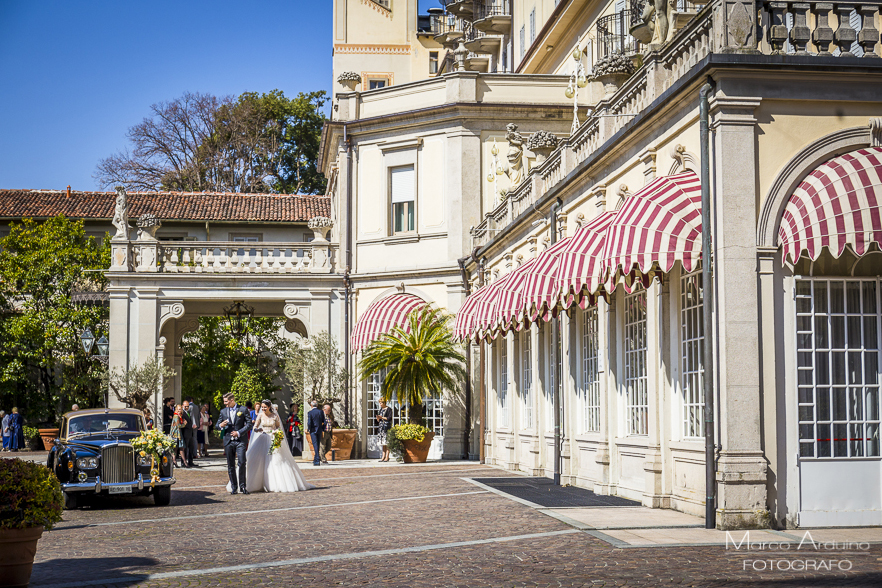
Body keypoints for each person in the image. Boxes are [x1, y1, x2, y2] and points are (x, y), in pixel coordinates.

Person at [226, 400, 314, 493]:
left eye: (265, 407)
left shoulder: (275, 416)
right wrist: (257, 429)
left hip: (272, 438)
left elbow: (278, 427)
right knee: (257, 460)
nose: (263, 409)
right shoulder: (260, 415)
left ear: (269, 407)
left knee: (276, 460)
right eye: (262, 407)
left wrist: (276, 432)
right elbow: (254, 427)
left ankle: (275, 483)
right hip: (262, 437)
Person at [217, 392, 252, 495]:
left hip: (240, 440)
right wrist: (221, 425)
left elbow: (249, 424)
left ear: (232, 400)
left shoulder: (243, 409)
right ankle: (234, 487)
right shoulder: (223, 411)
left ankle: (243, 486)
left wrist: (239, 432)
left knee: (242, 462)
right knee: (230, 465)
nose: (225, 404)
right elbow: (217, 425)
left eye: (226, 401)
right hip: (228, 441)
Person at [306, 401, 324, 466]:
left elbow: (309, 422)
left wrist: (309, 428)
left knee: (315, 444)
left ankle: (316, 459)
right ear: (317, 405)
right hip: (319, 430)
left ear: (311, 405)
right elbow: (324, 421)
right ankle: (316, 458)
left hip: (313, 430)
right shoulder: (320, 412)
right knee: (318, 444)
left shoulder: (310, 413)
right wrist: (322, 428)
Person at [179, 400, 195, 467]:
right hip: (185, 433)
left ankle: (190, 461)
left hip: (190, 433)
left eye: (188, 406)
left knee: (191, 447)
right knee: (184, 449)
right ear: (183, 406)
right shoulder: (182, 413)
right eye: (185, 406)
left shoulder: (188, 412)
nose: (186, 408)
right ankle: (184, 462)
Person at [186, 398, 200, 465]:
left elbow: (191, 416)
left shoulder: (190, 407)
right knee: (195, 439)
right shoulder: (196, 406)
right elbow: (198, 416)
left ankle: (193, 453)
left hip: (191, 425)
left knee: (191, 440)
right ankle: (195, 453)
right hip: (196, 424)